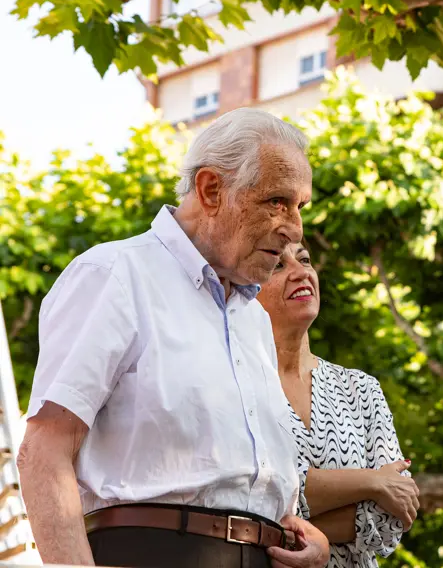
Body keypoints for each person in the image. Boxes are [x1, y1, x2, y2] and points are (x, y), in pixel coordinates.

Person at [18, 108, 330, 568]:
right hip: (150, 553)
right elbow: (43, 452)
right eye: (277, 201)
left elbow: (243, 478)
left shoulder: (254, 320)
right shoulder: (115, 275)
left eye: (299, 206)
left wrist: (299, 533)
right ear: (210, 190)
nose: (294, 228)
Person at [257, 242, 419, 568]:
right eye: (279, 265)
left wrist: (273, 527)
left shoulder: (361, 388)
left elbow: (394, 516)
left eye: (304, 260)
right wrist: (372, 482)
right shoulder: (239, 385)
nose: (301, 272)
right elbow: (247, 496)